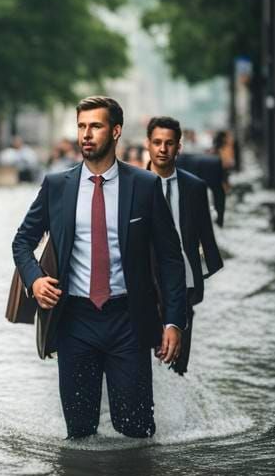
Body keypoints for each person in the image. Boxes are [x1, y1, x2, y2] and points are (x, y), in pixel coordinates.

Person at [11, 96, 187, 440]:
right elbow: (21, 241)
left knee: (135, 431)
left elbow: (170, 258)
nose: (86, 134)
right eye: (81, 126)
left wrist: (173, 321)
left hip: (128, 322)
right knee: (79, 434)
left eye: (95, 126)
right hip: (74, 321)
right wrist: (34, 281)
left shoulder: (145, 186)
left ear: (116, 131)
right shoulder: (57, 186)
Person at [146, 116, 224, 376]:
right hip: (143, 285)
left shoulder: (194, 187)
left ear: (178, 146)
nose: (162, 149)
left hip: (185, 284)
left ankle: (179, 408)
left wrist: (201, 274)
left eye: (169, 143)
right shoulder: (132, 185)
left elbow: (205, 237)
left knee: (177, 366)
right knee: (144, 364)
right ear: (148, 145)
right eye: (157, 142)